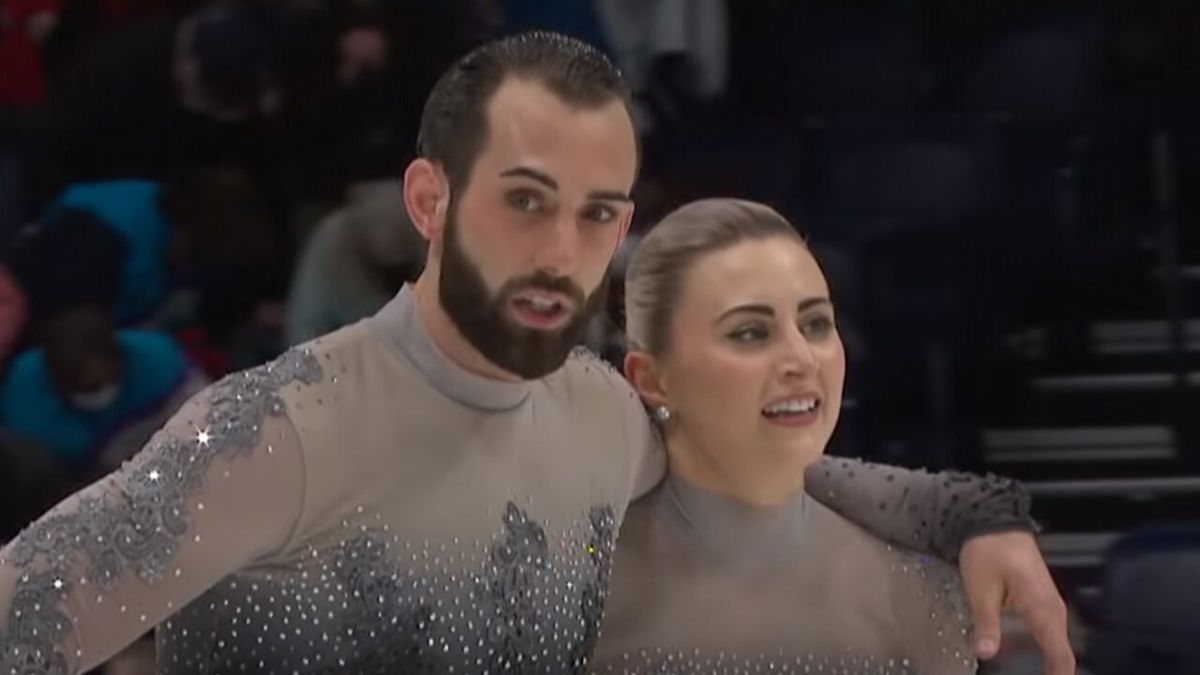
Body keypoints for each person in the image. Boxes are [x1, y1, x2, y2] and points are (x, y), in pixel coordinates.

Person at [0, 32, 1071, 675]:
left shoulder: (595, 408)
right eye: (526, 203)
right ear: (429, 200)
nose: (565, 252)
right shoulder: (275, 429)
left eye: (598, 214)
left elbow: (783, 469)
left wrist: (970, 517)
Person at [591, 199, 981, 674]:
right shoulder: (565, 596)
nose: (801, 359)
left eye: (816, 324)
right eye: (750, 333)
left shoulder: (917, 598)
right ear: (652, 379)